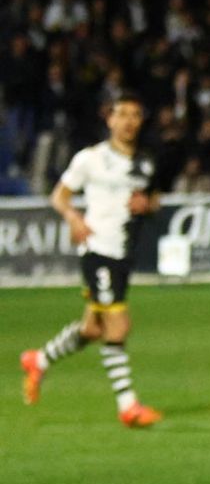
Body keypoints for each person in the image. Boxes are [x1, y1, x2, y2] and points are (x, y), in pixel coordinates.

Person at [20, 94, 163, 427]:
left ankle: (38, 360)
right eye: (122, 114)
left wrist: (150, 205)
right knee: (118, 324)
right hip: (98, 249)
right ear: (109, 119)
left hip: (123, 252)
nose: (129, 121)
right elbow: (60, 196)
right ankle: (128, 406)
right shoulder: (91, 159)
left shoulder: (146, 162)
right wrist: (74, 219)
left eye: (136, 114)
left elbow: (154, 198)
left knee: (92, 328)